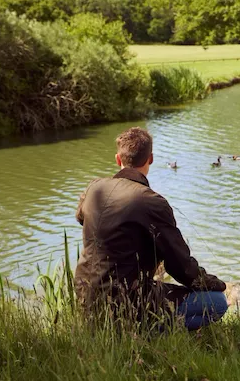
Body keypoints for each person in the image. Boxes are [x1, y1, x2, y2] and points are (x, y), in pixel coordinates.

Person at [75, 127, 228, 330]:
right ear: (151, 159)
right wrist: (215, 284)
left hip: (85, 295)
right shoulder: (151, 202)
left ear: (118, 159)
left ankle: (131, 328)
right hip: (126, 301)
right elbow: (179, 265)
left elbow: (81, 218)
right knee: (217, 303)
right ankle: (151, 334)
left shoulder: (93, 188)